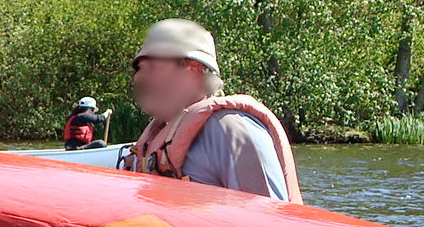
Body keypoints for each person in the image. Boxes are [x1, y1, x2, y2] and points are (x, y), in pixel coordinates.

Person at [124, 18, 302, 203]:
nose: (139, 78)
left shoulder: (231, 129)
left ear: (194, 68)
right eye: (139, 69)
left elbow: (266, 217)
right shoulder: (160, 134)